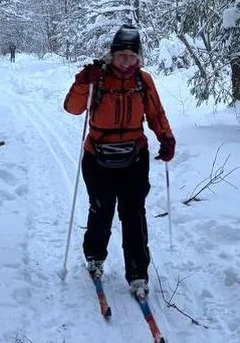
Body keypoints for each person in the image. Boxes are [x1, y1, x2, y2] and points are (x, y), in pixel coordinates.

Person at [63, 25, 175, 298]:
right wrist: (81, 82)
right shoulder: (96, 78)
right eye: (120, 55)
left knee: (134, 213)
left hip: (134, 157)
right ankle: (95, 257)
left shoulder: (143, 81)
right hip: (98, 156)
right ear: (111, 55)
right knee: (101, 210)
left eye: (131, 55)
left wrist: (166, 138)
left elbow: (156, 112)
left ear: (138, 58)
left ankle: (138, 273)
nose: (126, 60)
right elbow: (72, 108)